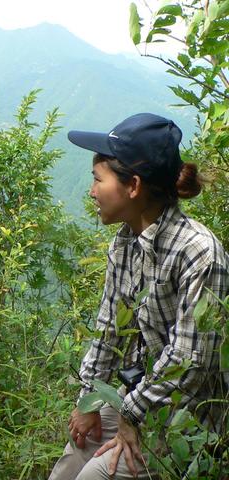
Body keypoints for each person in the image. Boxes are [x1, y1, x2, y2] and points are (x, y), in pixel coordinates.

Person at [48, 113, 229, 479]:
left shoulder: (198, 253)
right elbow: (108, 328)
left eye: (99, 180)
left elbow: (189, 363)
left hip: (192, 418)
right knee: (72, 461)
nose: (91, 191)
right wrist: (91, 399)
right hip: (148, 396)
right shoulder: (125, 242)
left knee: (95, 476)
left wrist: (130, 414)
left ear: (133, 186)